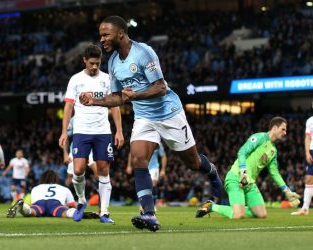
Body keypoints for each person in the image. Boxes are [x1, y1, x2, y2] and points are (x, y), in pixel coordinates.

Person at [79, 15, 222, 232]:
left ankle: (212, 172)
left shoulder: (143, 52)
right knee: (138, 159)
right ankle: (149, 214)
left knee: (193, 163)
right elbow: (119, 97)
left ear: (120, 33)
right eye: (101, 36)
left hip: (169, 113)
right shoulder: (113, 63)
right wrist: (94, 101)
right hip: (144, 118)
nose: (102, 40)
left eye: (106, 35)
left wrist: (133, 96)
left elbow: (160, 87)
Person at [59, 44, 124, 224]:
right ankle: (81, 201)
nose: (95, 66)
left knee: (103, 170)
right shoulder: (75, 80)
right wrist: (64, 132)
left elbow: (114, 105)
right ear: (85, 61)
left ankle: (104, 212)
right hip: (81, 131)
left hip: (103, 131)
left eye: (98, 63)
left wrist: (119, 130)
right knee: (78, 169)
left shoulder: (107, 79)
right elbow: (68, 107)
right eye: (92, 63)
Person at [196, 117, 300, 219]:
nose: (285, 133)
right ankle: (212, 206)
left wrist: (286, 190)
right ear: (274, 128)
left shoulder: (273, 151)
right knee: (238, 216)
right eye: (283, 129)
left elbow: (275, 173)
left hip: (249, 183)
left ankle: (239, 208)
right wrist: (243, 173)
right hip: (236, 178)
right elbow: (242, 152)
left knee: (261, 214)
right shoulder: (260, 138)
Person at [6, 169, 80, 220]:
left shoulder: (36, 188)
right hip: (55, 204)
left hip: (39, 203)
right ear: (56, 179)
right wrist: (67, 207)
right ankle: (78, 214)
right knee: (65, 212)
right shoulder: (63, 188)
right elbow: (72, 205)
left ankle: (23, 207)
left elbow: (33, 203)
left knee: (31, 211)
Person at [126, 144, 167, 211]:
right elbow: (131, 153)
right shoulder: (141, 140)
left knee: (153, 184)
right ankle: (143, 204)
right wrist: (129, 166)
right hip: (142, 167)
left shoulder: (157, 142)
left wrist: (163, 169)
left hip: (154, 167)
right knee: (143, 185)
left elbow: (163, 156)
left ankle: (152, 205)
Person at [291, 115, 313, 215]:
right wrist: (307, 153)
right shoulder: (310, 120)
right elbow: (307, 137)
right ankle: (305, 209)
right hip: (312, 151)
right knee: (308, 179)